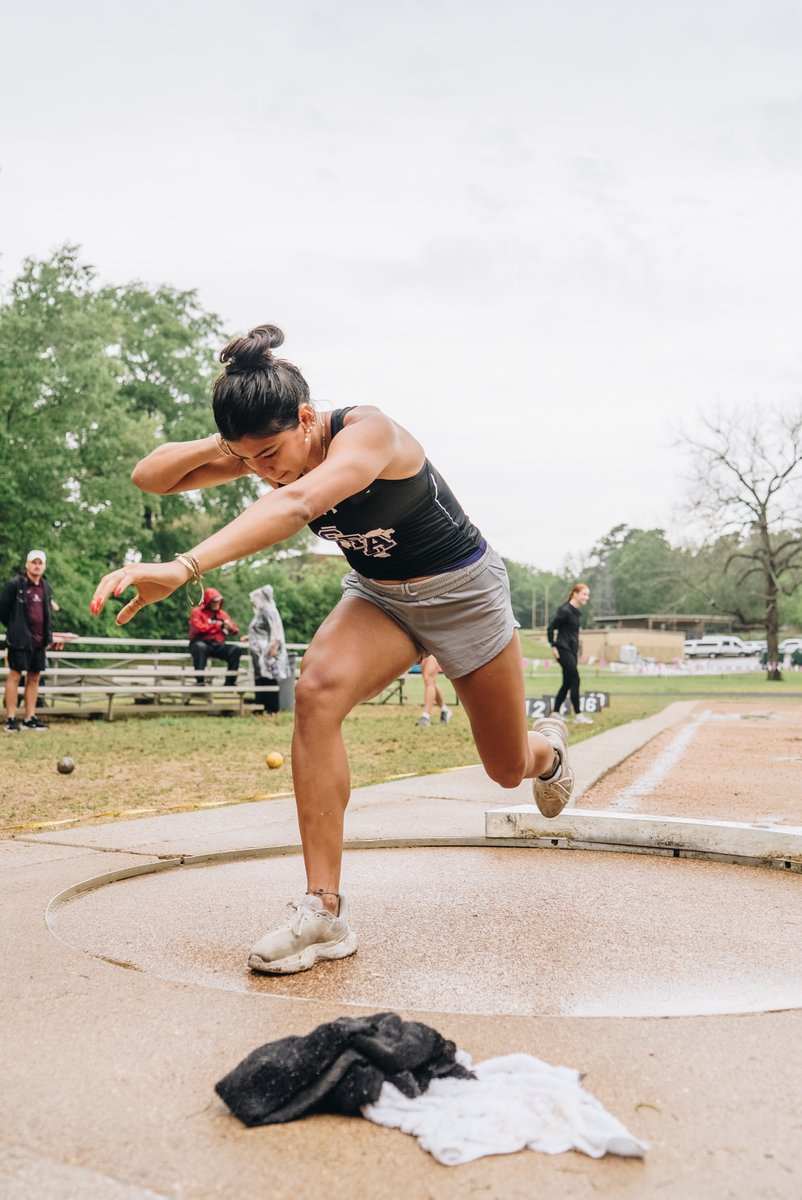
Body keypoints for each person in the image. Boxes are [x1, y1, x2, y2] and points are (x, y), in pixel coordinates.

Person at [91, 323, 575, 975]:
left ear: (306, 418)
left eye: (270, 453)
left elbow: (300, 503)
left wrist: (184, 566)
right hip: (380, 597)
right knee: (315, 693)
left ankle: (549, 752)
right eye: (249, 460)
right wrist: (229, 444)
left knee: (506, 765)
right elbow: (150, 477)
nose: (264, 471)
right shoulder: (261, 448)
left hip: (463, 593)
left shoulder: (370, 433)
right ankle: (323, 911)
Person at [0, 550, 53, 732]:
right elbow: (4, 612)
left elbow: (47, 612)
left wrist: (48, 636)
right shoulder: (15, 585)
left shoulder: (46, 587)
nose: (37, 566)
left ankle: (30, 717)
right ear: (27, 564)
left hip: (39, 640)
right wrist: (16, 628)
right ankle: (11, 718)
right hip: (19, 640)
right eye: (34, 562)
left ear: (44, 566)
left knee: (34, 677)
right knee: (15, 676)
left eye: (40, 563)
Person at [547, 582, 593, 725]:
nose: (587, 597)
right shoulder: (564, 610)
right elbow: (551, 628)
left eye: (588, 595)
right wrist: (553, 646)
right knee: (575, 680)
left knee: (567, 682)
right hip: (563, 649)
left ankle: (555, 712)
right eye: (584, 594)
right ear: (575, 594)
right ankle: (578, 715)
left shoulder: (576, 612)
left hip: (572, 651)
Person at [246, 584, 291, 713]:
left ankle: (272, 708)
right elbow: (261, 630)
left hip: (268, 652)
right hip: (259, 653)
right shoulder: (260, 612)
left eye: (255, 599)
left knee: (269, 677)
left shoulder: (269, 611)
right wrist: (250, 637)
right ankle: (260, 706)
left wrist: (273, 648)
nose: (253, 602)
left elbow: (276, 631)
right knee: (260, 678)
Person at [188, 587, 243, 686]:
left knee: (236, 650)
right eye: (213, 601)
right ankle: (200, 681)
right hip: (201, 642)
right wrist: (217, 626)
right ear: (208, 601)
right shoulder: (197, 612)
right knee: (200, 647)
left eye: (218, 601)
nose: (216, 604)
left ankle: (230, 682)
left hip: (217, 644)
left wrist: (231, 628)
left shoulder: (222, 614)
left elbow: (235, 629)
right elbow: (199, 628)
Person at [415, 654, 452, 726]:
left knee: (428, 678)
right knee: (429, 681)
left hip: (436, 649)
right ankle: (445, 710)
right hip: (425, 648)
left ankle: (425, 717)